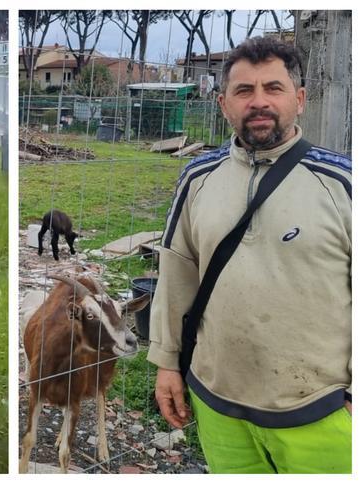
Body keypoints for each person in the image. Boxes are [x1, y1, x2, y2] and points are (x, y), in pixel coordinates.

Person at [148, 36, 351, 473]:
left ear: (299, 100)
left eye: (273, 88)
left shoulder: (343, 185)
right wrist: (167, 364)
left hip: (322, 411)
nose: (258, 102)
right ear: (224, 104)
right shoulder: (197, 178)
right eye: (244, 91)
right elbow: (176, 272)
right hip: (219, 406)